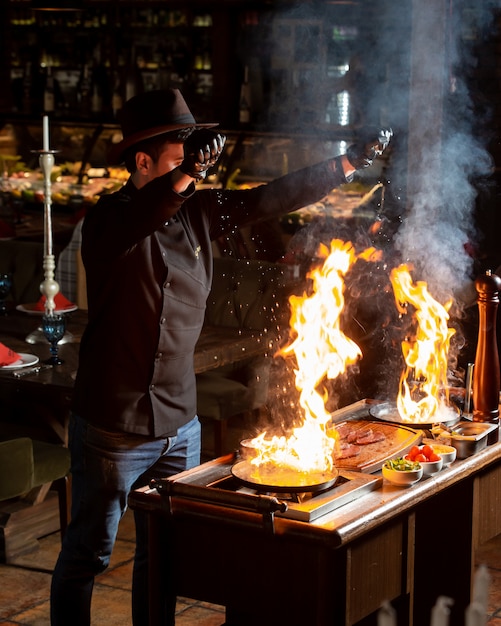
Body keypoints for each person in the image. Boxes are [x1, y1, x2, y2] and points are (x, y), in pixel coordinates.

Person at [50, 88, 391, 625]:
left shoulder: (200, 213)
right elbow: (142, 216)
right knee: (89, 554)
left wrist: (347, 161)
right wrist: (185, 176)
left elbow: (271, 198)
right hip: (113, 425)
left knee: (163, 554)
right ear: (143, 162)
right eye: (179, 151)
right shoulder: (106, 222)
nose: (194, 162)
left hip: (179, 421)